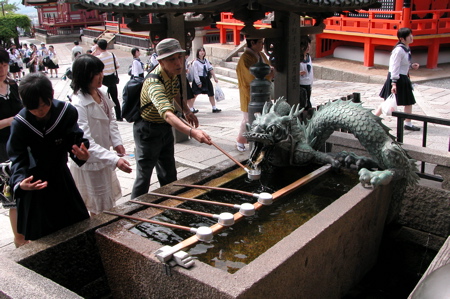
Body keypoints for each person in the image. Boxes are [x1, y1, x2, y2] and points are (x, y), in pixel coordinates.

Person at [7, 72, 90, 241]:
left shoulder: (66, 112)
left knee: (77, 227)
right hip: (35, 182)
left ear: (51, 95)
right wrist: (20, 181)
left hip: (61, 176)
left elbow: (74, 138)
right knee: (41, 236)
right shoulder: (20, 124)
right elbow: (17, 157)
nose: (39, 111)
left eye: (43, 105)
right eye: (33, 108)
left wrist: (82, 153)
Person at [131, 38, 212, 199]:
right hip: (147, 130)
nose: (178, 63)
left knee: (169, 172)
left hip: (164, 129)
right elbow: (167, 113)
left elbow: (174, 92)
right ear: (160, 61)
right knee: (144, 175)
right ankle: (132, 214)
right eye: (172, 59)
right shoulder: (154, 83)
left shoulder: (171, 74)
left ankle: (170, 205)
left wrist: (187, 111)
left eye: (179, 57)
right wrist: (192, 132)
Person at [69, 54, 132, 215]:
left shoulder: (101, 93)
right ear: (84, 76)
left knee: (107, 201)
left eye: (101, 72)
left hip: (104, 155)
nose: (101, 77)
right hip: (91, 161)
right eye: (96, 74)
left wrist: (116, 141)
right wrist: (115, 160)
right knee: (97, 205)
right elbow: (87, 140)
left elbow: (110, 120)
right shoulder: (78, 103)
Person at [0, 49, 26, 247]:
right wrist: (11, 121)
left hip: (19, 144)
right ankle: (19, 239)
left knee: (25, 191)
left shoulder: (13, 85)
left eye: (4, 64)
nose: (1, 68)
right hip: (1, 150)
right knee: (11, 196)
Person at [375, 28, 420, 131]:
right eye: (409, 35)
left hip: (403, 77)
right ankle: (374, 118)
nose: (411, 37)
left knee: (408, 101)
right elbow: (394, 66)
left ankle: (408, 123)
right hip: (397, 78)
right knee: (390, 101)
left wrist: (411, 66)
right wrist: (394, 83)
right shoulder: (398, 50)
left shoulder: (406, 48)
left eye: (411, 34)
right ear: (402, 39)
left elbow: (403, 65)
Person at [235, 37, 274, 152]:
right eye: (261, 42)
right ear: (252, 42)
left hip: (263, 91)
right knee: (248, 119)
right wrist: (269, 74)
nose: (263, 45)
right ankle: (240, 140)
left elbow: (268, 66)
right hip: (249, 92)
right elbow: (250, 77)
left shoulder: (260, 55)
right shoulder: (245, 58)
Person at [189, 47, 221, 114]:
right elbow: (195, 73)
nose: (202, 52)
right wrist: (198, 82)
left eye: (203, 51)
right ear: (198, 52)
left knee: (211, 93)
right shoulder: (195, 62)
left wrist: (215, 77)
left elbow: (210, 69)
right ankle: (191, 108)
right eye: (200, 51)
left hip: (206, 78)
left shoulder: (206, 61)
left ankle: (214, 107)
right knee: (195, 94)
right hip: (199, 78)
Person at [97, 39, 122, 121]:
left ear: (98, 47)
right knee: (115, 98)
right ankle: (119, 116)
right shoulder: (112, 55)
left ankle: (108, 116)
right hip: (112, 78)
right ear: (106, 46)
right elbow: (117, 66)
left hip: (103, 80)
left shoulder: (99, 58)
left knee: (104, 99)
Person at [299, 35, 313, 112]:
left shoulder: (308, 57)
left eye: (309, 45)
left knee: (308, 103)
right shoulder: (297, 58)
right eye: (305, 45)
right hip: (300, 84)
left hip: (308, 83)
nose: (308, 47)